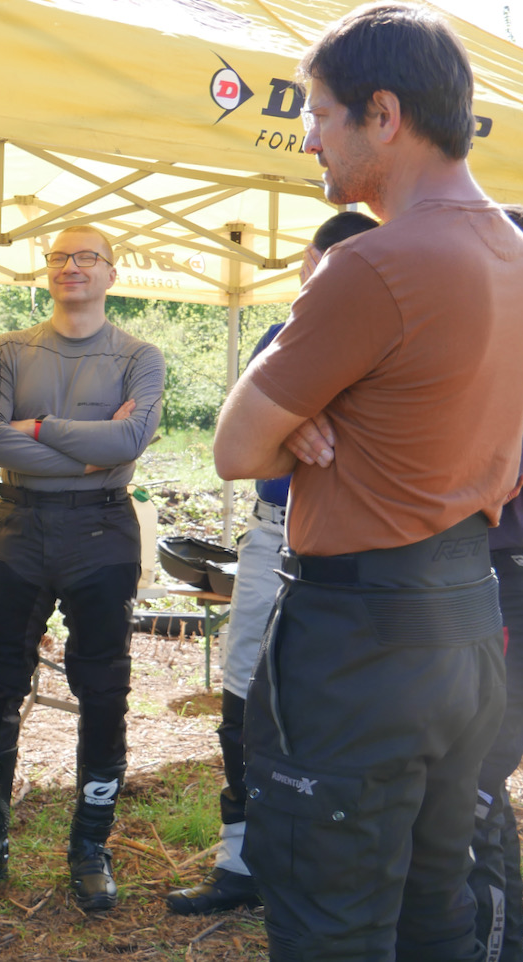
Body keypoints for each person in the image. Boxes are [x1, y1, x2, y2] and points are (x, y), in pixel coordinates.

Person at [213, 4, 523, 960]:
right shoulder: (517, 254)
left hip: (359, 647)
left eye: (319, 114)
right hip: (465, 629)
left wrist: (308, 416)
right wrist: (319, 414)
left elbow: (235, 447)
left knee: (331, 924)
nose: (310, 137)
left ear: (383, 114)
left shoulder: (373, 264)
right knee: (438, 912)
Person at [0, 225, 165, 911]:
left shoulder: (139, 355)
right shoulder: (8, 350)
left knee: (104, 689)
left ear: (112, 272)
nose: (71, 266)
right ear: (46, 270)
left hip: (104, 530)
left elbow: (132, 439)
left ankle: (90, 849)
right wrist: (88, 450)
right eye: (60, 256)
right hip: (21, 527)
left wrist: (37, 428)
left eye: (87, 256)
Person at [166, 210, 376, 916]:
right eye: (330, 262)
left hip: (356, 539)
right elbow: (241, 445)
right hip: (274, 529)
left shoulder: (391, 335)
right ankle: (241, 862)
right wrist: (292, 424)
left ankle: (326, 865)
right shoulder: (281, 334)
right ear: (308, 265)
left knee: (342, 704)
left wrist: (299, 420)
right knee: (244, 694)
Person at [468, 206, 523, 962]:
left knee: (476, 782)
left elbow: (491, 483)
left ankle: (497, 946)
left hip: (509, 581)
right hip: (468, 580)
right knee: (467, 779)